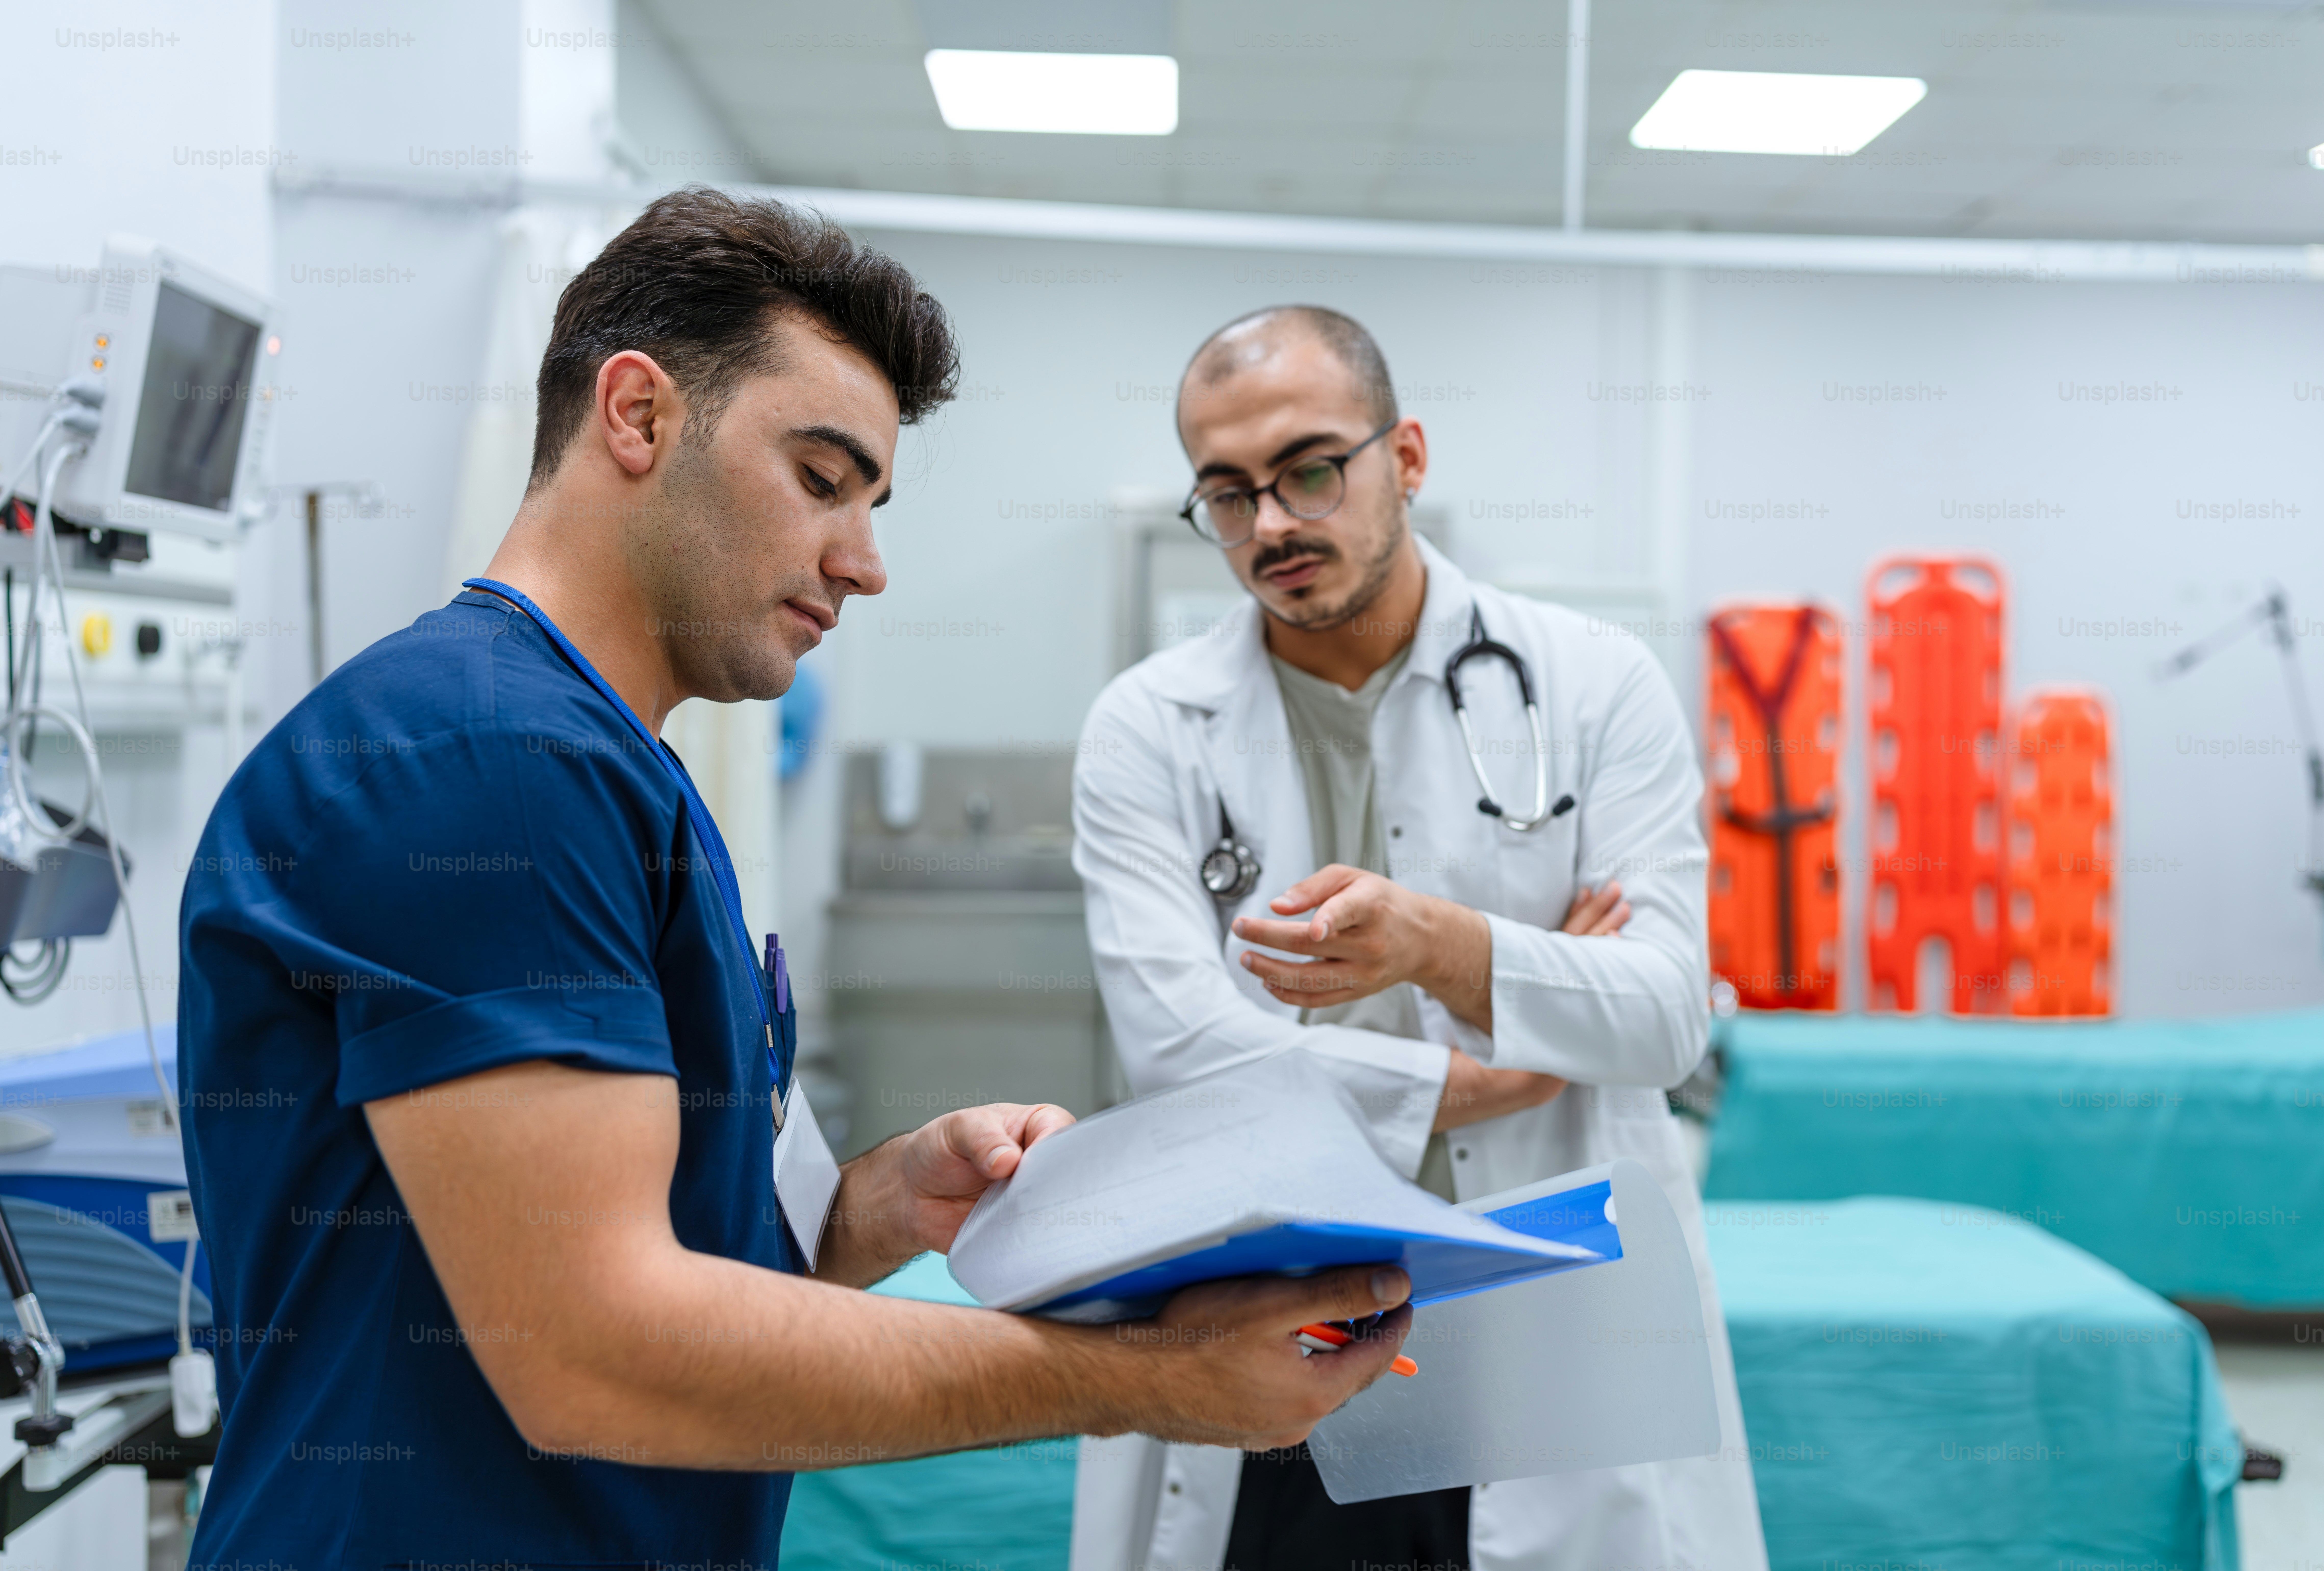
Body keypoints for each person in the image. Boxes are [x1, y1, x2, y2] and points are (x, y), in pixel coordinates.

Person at [175, 191, 1413, 1569]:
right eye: (822, 480)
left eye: (870, 505)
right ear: (637, 416)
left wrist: (875, 1209)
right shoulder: (485, 760)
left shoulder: (609, 768)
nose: (864, 565)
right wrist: (1143, 1380)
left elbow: (657, 1251)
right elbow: (595, 1352)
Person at [1068, 306, 1768, 1571]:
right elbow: (1182, 1050)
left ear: (1408, 458)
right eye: (1227, 493)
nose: (1271, 524)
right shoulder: (1147, 727)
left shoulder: (1596, 684)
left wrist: (1442, 946)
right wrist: (1501, 1069)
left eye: (1310, 471)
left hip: (1538, 1319)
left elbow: (1667, 1012)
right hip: (1275, 1315)